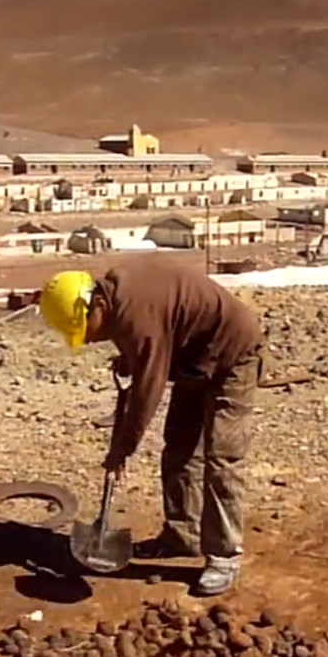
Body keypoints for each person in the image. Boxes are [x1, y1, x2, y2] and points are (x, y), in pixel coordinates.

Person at [39, 255, 264, 596]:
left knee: (221, 457)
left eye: (85, 330)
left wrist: (122, 449)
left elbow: (148, 390)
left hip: (233, 355)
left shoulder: (132, 314)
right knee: (179, 448)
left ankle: (223, 555)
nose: (86, 340)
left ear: (96, 304)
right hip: (193, 360)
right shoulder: (117, 296)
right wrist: (133, 358)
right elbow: (160, 333)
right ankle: (182, 536)